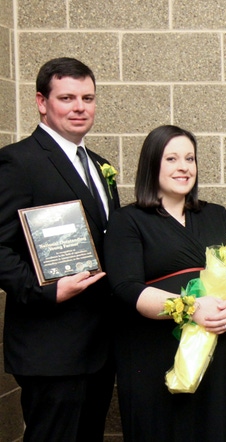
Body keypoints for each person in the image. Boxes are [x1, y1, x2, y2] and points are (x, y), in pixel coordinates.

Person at [103, 125, 226, 441]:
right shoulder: (127, 220)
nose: (183, 167)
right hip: (155, 352)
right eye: (171, 158)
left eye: (190, 158)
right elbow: (127, 288)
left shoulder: (217, 215)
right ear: (152, 164)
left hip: (218, 350)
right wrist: (191, 308)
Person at [0, 57, 118, 442]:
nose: (80, 107)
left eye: (88, 97)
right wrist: (46, 291)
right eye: (67, 97)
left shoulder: (100, 166)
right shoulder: (18, 162)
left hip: (99, 346)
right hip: (50, 347)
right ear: (41, 102)